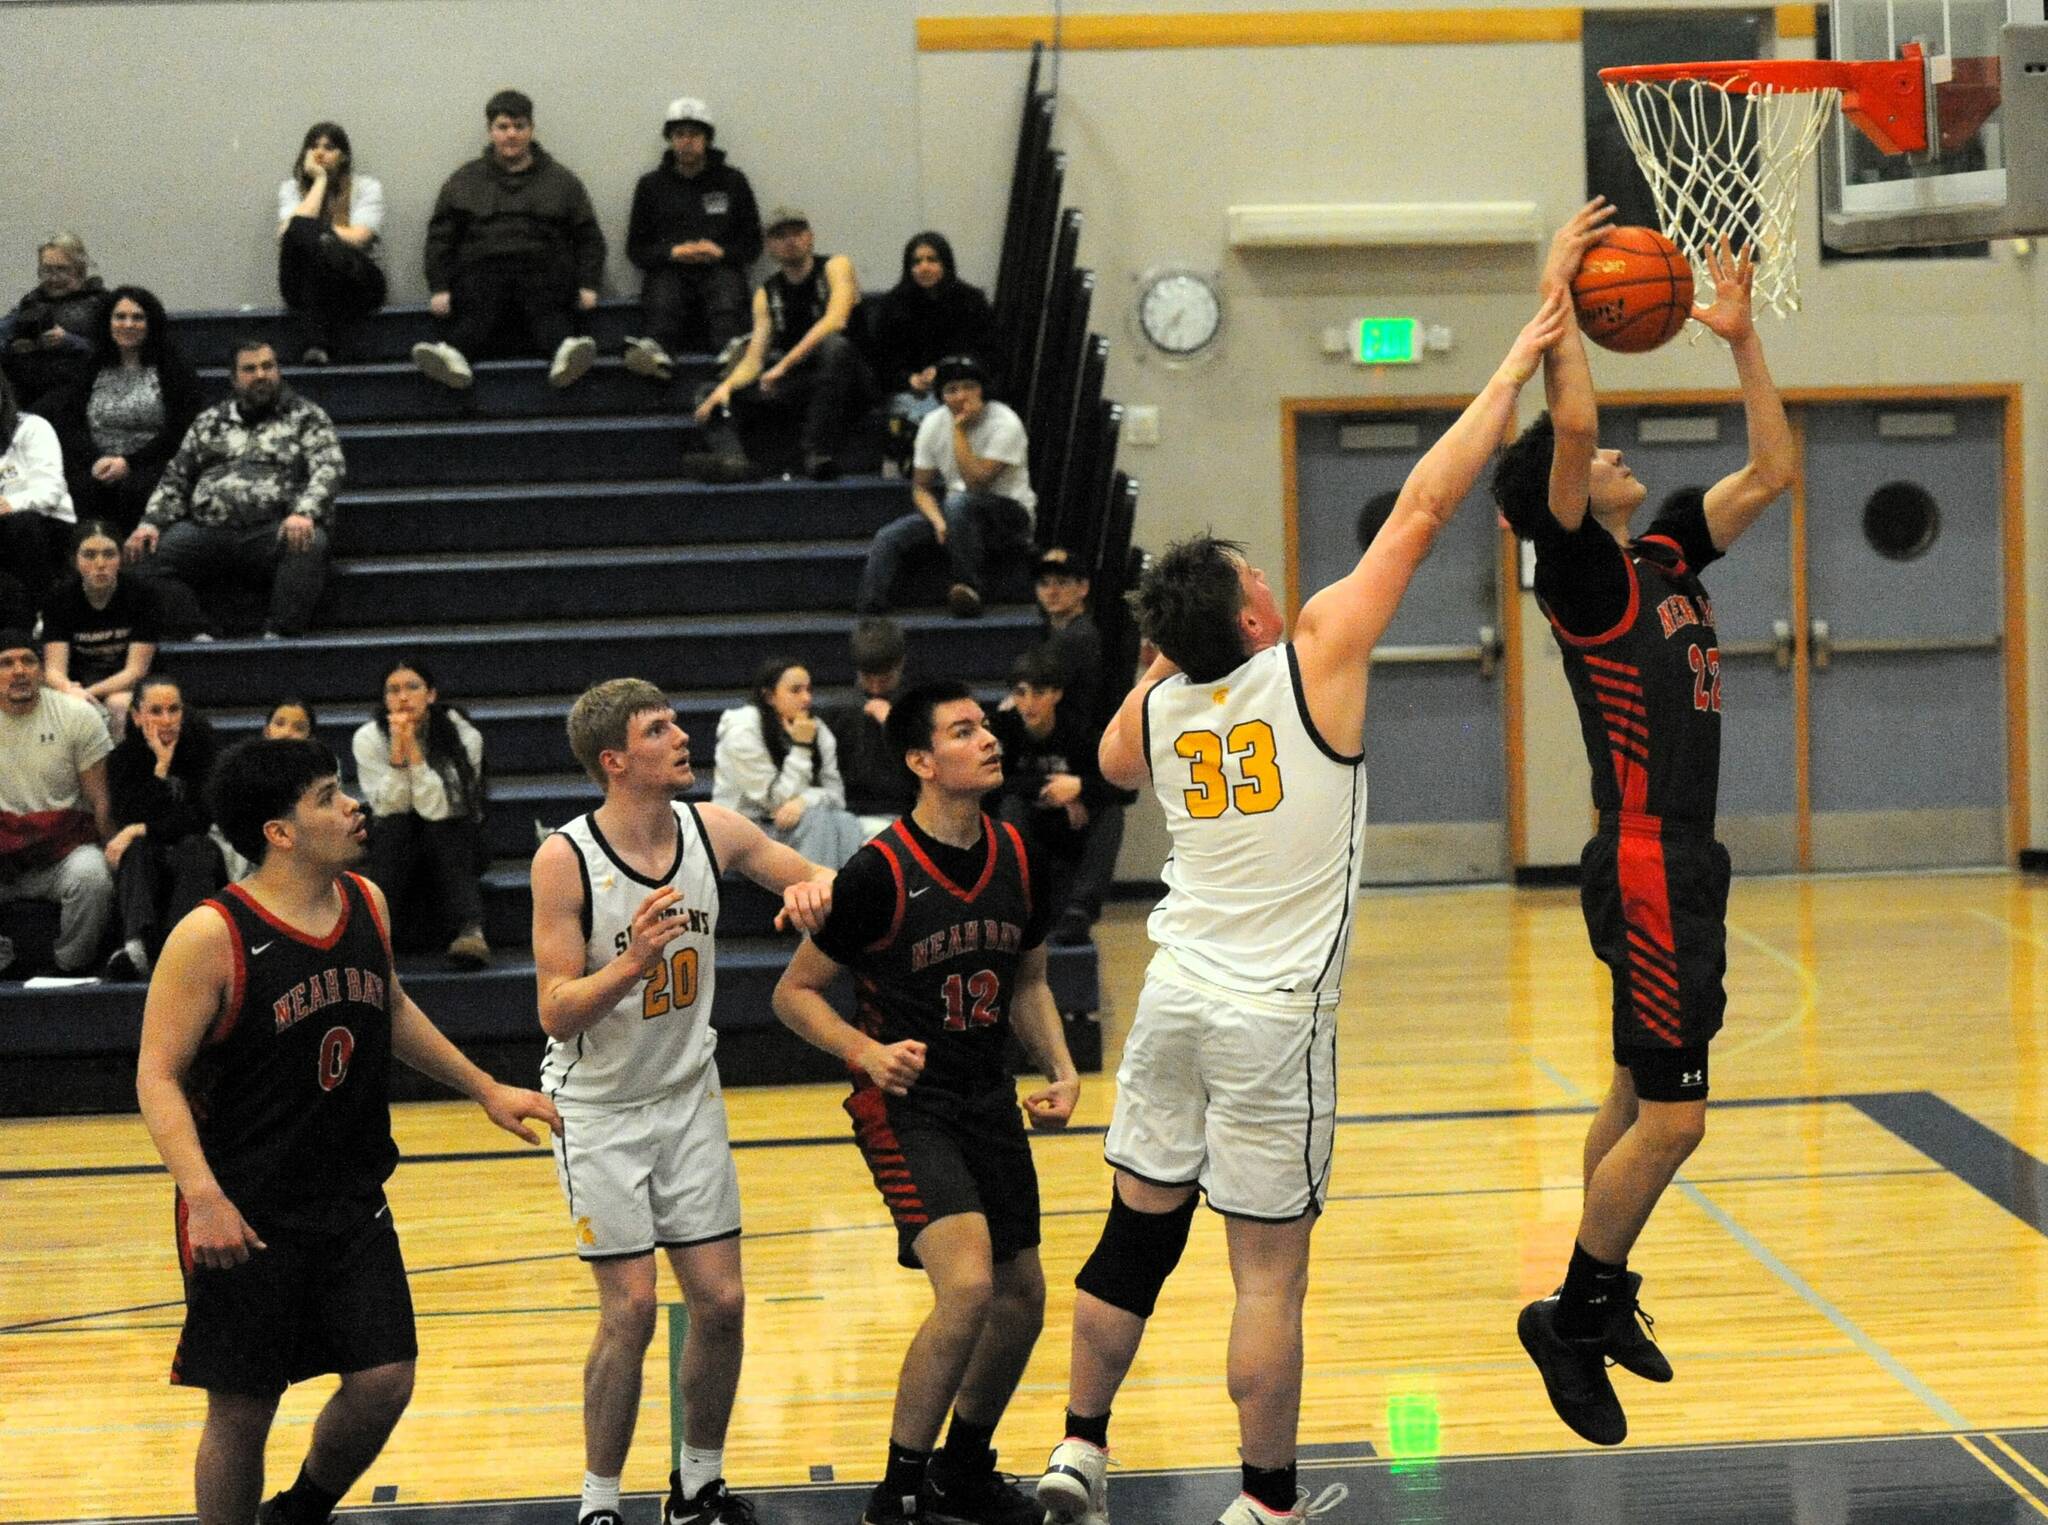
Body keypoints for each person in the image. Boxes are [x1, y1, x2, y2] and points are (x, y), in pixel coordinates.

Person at [1034, 292, 1569, 1525]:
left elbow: (1108, 768)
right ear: (1254, 615)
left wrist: (1160, 654)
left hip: (1170, 995)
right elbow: (1428, 507)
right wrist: (1510, 362)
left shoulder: (1157, 709)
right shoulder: (1310, 655)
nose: (1276, 577)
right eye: (1256, 574)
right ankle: (1264, 1503)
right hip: (1272, 1017)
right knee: (1265, 1274)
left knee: (1133, 1236)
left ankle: (1078, 1449)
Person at [1490, 202, 1794, 1448]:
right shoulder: (1580, 572)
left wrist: (1735, 338)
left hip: (1680, 854)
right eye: (1592, 462)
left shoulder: (1662, 551)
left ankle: (1598, 1293)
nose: (1615, 458)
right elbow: (1568, 424)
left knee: (1633, 1081)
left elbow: (1771, 472)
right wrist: (1555, 301)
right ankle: (1571, 1311)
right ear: (1557, 497)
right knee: (1676, 1114)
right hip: (1644, 851)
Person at [134, 736, 559, 1525]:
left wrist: (483, 1086)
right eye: (328, 795)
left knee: (386, 1376)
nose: (352, 803)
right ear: (279, 831)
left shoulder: (367, 901)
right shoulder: (210, 934)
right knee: (243, 1410)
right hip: (247, 1207)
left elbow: (388, 1005)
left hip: (349, 1196)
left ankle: (299, 1510)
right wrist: (203, 1196)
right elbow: (155, 1074)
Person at [774, 680, 1081, 1525]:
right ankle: (897, 1489)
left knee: (1024, 1296)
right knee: (970, 1283)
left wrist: (1059, 1065)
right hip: (907, 1105)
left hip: (987, 1095)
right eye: (963, 730)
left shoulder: (1019, 855)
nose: (988, 739)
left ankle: (962, 1469)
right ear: (920, 760)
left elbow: (1030, 980)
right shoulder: (881, 871)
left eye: (986, 726)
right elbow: (794, 994)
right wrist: (864, 1051)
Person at [529, 677, 834, 1525]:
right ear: (615, 760)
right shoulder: (566, 857)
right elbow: (554, 1009)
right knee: (628, 1310)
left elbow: (822, 879)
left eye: (675, 720)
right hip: (598, 1107)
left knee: (724, 1302)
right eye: (658, 728)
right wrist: (632, 961)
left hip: (687, 1094)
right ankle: (598, 1503)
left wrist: (815, 891)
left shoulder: (715, 828)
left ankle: (697, 1485)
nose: (681, 735)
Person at [125, 340, 343, 640]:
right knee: (140, 555)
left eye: (268, 366)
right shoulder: (210, 421)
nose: (261, 375)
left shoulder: (306, 416)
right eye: (250, 369)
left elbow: (329, 468)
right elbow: (177, 476)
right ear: (234, 378)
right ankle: (196, 633)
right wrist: (151, 522)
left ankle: (279, 635)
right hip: (207, 531)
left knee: (311, 542)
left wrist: (304, 513)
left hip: (272, 531)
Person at [414, 89, 603, 391]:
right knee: (488, 281)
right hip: (480, 279)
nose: (511, 134)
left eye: (519, 126)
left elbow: (588, 237)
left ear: (531, 129)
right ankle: (454, 356)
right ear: (490, 131)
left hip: (545, 276)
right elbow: (440, 239)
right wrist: (439, 286)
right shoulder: (463, 180)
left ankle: (565, 352)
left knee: (538, 286)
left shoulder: (561, 181)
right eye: (503, 127)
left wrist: (589, 284)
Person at [692, 207, 865, 480]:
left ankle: (816, 453)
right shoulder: (766, 292)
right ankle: (733, 461)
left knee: (835, 346)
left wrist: (783, 366)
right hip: (804, 382)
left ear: (810, 237)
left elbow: (836, 321)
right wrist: (727, 386)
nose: (790, 240)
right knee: (708, 393)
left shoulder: (836, 266)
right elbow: (754, 359)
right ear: (769, 245)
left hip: (849, 380)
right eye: (780, 235)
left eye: (797, 233)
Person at [855, 355, 1032, 620]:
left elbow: (976, 482)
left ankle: (969, 588)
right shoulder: (932, 423)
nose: (961, 396)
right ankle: (869, 613)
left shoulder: (1005, 422)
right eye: (952, 390)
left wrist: (959, 430)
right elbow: (921, 487)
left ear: (983, 390)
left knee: (959, 503)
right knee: (889, 536)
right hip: (956, 514)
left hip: (1008, 514)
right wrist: (938, 521)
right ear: (941, 397)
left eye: (969, 387)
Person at [352, 658, 490, 969]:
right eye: (393, 690)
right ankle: (376, 933)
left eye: (412, 687)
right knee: (395, 825)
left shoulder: (464, 735)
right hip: (397, 848)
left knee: (441, 826)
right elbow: (387, 808)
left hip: (457, 844)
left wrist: (412, 752)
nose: (403, 697)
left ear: (431, 695)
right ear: (384, 699)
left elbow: (443, 809)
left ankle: (471, 929)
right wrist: (398, 756)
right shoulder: (369, 738)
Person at [44, 285, 204, 538]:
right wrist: (95, 459)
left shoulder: (173, 368)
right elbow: (70, 422)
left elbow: (180, 430)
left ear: (150, 323)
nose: (128, 324)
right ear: (108, 322)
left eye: (137, 318)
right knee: (76, 490)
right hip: (95, 462)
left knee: (135, 491)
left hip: (153, 463)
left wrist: (129, 463)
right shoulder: (91, 365)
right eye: (120, 317)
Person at [622, 97, 762, 382]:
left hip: (720, 269)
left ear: (707, 139)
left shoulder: (733, 182)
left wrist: (719, 252)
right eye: (679, 134)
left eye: (694, 134)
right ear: (670, 140)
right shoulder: (650, 186)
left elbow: (753, 245)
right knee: (663, 292)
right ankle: (656, 354)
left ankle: (731, 353)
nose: (687, 142)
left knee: (726, 289)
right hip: (670, 270)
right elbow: (636, 250)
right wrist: (673, 253)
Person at [986, 647, 1116, 947]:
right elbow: (992, 784)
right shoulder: (1003, 728)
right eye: (1020, 693)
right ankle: (1017, 903)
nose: (1028, 703)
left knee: (1111, 814)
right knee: (1010, 805)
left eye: (1039, 692)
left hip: (1068, 830)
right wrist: (1050, 789)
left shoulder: (1078, 729)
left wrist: (1079, 787)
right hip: (1026, 828)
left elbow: (1118, 786)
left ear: (1057, 694)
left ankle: (1080, 910)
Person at [0, 631, 113, 977]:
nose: (19, 670)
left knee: (93, 876)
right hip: (4, 855)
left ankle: (69, 968)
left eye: (28, 660)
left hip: (63, 850)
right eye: (7, 663)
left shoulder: (76, 716)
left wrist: (114, 850)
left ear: (42, 670)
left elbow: (100, 799)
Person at [102, 676, 226, 981]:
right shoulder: (121, 759)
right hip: (149, 856)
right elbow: (128, 814)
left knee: (196, 847)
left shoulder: (203, 752)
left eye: (174, 710)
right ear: (136, 715)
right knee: (138, 849)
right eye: (156, 711)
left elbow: (199, 818)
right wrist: (161, 766)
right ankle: (138, 946)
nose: (167, 720)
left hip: (193, 849)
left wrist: (139, 828)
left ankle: (183, 947)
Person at [710, 658, 866, 869]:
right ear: (769, 696)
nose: (806, 698)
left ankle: (833, 896)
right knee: (818, 821)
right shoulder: (742, 730)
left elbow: (836, 796)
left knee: (844, 822)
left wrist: (804, 801)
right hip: (743, 829)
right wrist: (801, 748)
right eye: (796, 690)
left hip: (793, 826)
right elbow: (776, 801)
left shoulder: (817, 728)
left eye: (809, 690)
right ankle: (821, 897)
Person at [865, 232, 997, 456]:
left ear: (945, 263)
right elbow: (879, 363)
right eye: (917, 262)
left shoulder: (970, 302)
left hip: (960, 389)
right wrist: (909, 379)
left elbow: (985, 354)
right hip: (909, 393)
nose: (924, 267)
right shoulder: (893, 306)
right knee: (917, 417)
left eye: (932, 260)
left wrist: (946, 372)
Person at [277, 122, 388, 365]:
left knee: (315, 240)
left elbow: (359, 237)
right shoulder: (290, 190)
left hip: (356, 281)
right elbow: (290, 233)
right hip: (306, 285)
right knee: (306, 240)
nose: (319, 153)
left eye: (329, 147)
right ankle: (320, 345)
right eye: (313, 147)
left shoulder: (366, 187)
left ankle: (317, 344)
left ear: (344, 156)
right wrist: (319, 182)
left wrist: (320, 235)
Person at [43, 523, 160, 735]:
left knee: (118, 704)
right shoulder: (59, 598)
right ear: (74, 560)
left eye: (109, 554)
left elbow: (136, 671)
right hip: (78, 683)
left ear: (121, 559)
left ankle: (119, 767)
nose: (100, 563)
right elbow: (53, 670)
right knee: (72, 705)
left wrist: (88, 693)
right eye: (89, 555)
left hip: (129, 686)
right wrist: (69, 689)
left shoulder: (142, 595)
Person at [819, 616, 917, 838]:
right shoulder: (837, 711)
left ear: (900, 664)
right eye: (867, 679)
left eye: (883, 680)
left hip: (906, 813)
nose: (874, 689)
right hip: (846, 815)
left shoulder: (922, 707)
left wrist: (894, 724)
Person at [0, 370, 76, 617]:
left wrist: (9, 503)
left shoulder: (32, 428)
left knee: (22, 525)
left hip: (47, 524)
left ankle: (44, 613)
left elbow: (49, 491)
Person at [1, 233, 107, 407]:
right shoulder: (31, 303)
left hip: (81, 397)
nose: (54, 278)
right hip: (25, 395)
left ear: (80, 269)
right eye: (47, 270)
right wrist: (14, 346)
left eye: (62, 269)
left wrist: (69, 341)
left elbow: (113, 354)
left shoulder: (100, 304)